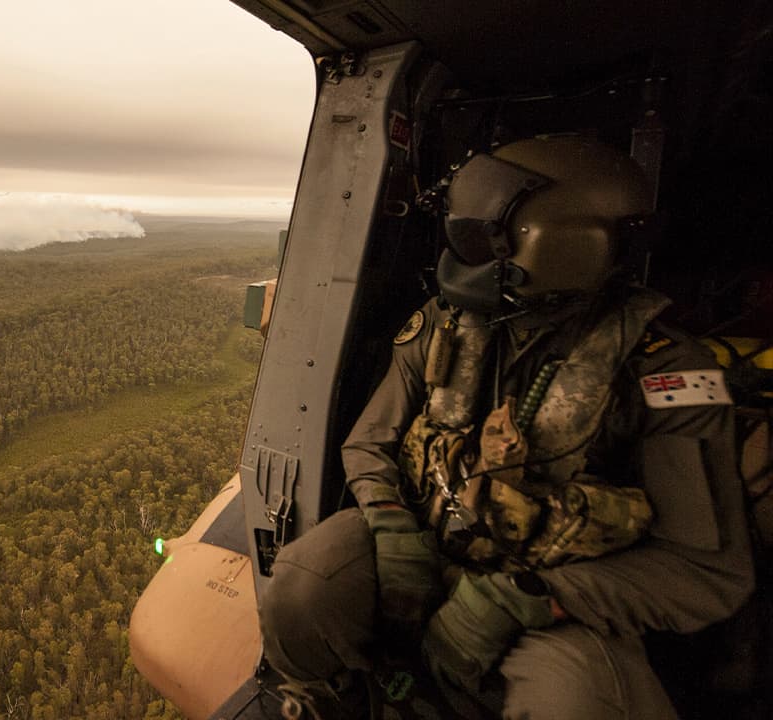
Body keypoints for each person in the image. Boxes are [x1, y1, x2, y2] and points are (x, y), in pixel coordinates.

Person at [258, 136, 756, 719]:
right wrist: (391, 527)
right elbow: (370, 442)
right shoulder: (448, 325)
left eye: (482, 239)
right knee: (301, 587)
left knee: (578, 701)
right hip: (426, 543)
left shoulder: (664, 371)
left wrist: (525, 599)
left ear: (562, 244)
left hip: (548, 592)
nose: (462, 255)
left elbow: (702, 571)